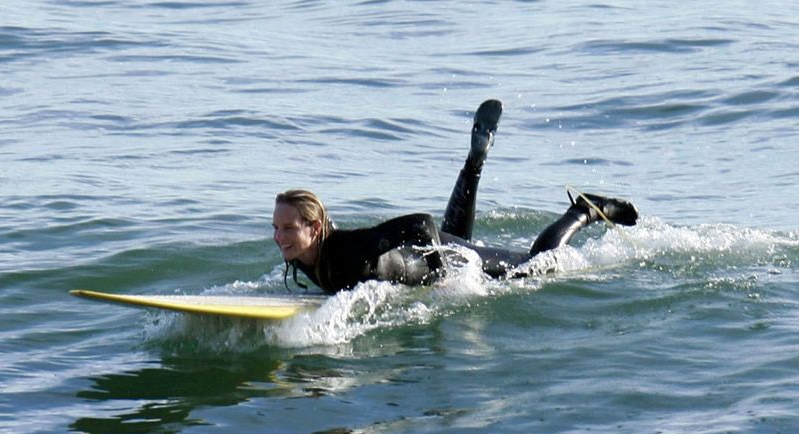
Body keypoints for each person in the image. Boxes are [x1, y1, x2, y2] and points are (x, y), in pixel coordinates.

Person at [272, 99, 638, 294]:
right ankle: (474, 161)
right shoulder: (305, 253)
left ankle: (584, 211)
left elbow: (421, 223)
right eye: (276, 228)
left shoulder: (346, 251)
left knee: (537, 265)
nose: (279, 237)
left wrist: (443, 279)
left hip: (442, 260)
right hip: (428, 252)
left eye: (288, 228)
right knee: (457, 239)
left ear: (314, 227)